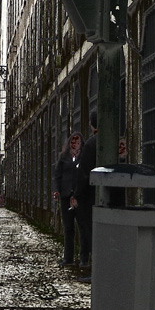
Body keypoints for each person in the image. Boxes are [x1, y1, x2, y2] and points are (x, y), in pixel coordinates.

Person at [52, 131, 84, 266]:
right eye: (72, 142)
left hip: (80, 197)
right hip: (66, 197)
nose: (74, 144)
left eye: (77, 142)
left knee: (83, 228)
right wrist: (56, 190)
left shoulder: (84, 157)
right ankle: (68, 257)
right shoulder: (63, 158)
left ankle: (84, 258)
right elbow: (57, 175)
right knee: (68, 228)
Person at [73, 112, 98, 271]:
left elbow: (83, 173)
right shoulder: (113, 141)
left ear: (91, 123)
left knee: (86, 229)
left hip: (88, 197)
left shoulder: (90, 144)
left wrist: (76, 195)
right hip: (105, 195)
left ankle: (87, 262)